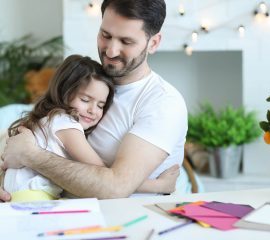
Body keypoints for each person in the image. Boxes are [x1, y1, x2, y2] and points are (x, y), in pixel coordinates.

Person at [0, 0, 187, 201]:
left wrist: (31, 156)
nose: (111, 51)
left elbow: (116, 188)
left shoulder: (163, 102)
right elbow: (35, 132)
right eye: (105, 36)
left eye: (126, 41)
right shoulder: (90, 82)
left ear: (153, 43)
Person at [1, 54, 179, 201]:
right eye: (85, 100)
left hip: (21, 193)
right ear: (64, 92)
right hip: (32, 196)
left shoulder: (49, 120)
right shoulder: (65, 124)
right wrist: (158, 185)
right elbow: (102, 175)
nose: (93, 110)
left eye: (101, 105)